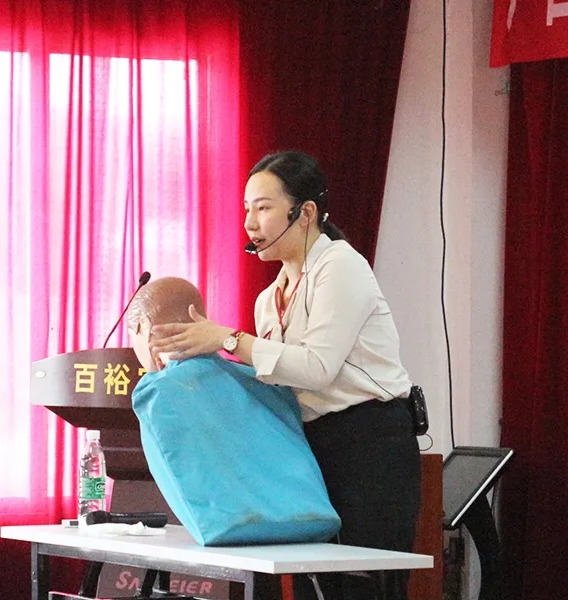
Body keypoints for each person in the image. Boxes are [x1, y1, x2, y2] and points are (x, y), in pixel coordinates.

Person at [149, 151, 421, 600]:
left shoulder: (341, 265)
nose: (249, 223)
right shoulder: (267, 299)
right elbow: (278, 380)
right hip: (310, 447)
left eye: (263, 208)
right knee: (317, 582)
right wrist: (203, 367)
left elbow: (317, 367)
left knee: (364, 585)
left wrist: (227, 339)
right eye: (246, 210)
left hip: (370, 445)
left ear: (305, 212)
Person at [125, 276, 341, 548]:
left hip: (228, 528)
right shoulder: (261, 380)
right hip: (313, 520)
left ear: (145, 327)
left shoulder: (157, 392)